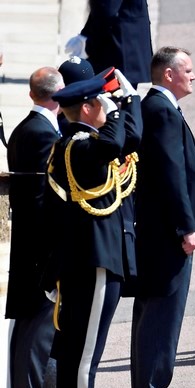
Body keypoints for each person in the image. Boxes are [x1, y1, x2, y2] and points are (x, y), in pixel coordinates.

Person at [43, 68, 140, 387]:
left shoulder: (74, 145)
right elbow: (114, 144)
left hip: (82, 260)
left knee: (76, 354)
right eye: (101, 102)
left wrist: (129, 103)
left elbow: (128, 139)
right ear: (87, 108)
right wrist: (121, 107)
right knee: (84, 359)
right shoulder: (81, 147)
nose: (106, 107)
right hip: (95, 261)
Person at [132, 46, 195, 387]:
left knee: (153, 316)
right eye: (188, 70)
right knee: (162, 320)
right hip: (168, 237)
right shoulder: (162, 110)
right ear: (169, 74)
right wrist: (186, 227)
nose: (193, 75)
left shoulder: (159, 106)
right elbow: (172, 173)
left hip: (159, 233)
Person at [5, 66, 64, 388]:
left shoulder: (30, 128)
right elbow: (45, 201)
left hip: (33, 252)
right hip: (40, 256)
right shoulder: (41, 133)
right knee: (37, 336)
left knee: (34, 333)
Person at [65, 0, 153, 87]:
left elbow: (106, 11)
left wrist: (88, 45)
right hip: (124, 49)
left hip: (119, 52)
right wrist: (85, 34)